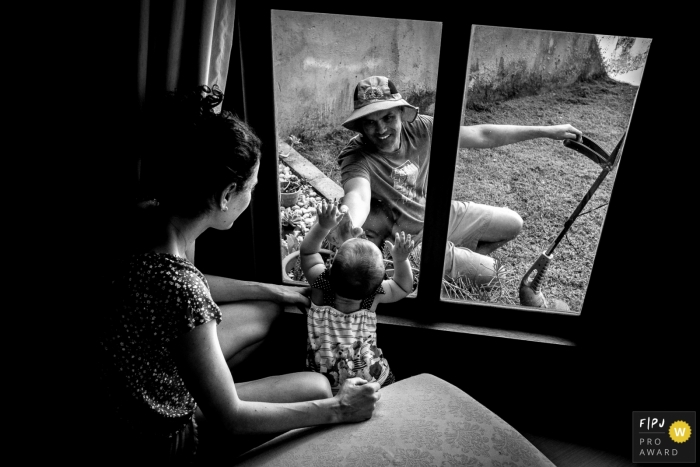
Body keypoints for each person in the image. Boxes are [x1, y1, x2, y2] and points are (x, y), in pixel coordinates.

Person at [98, 85, 381, 464]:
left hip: (128, 377)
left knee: (266, 309)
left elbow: (184, 291)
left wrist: (272, 290)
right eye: (253, 187)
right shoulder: (181, 288)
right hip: (158, 434)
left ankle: (206, 380)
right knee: (316, 385)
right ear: (227, 194)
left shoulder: (152, 215)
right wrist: (340, 408)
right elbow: (230, 417)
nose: (254, 195)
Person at [330, 75, 583, 287]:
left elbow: (481, 134)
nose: (381, 129)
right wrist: (348, 220)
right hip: (410, 242)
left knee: (513, 223)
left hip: (438, 216)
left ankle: (455, 261)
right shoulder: (356, 155)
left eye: (388, 118)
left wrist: (546, 131)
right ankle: (437, 264)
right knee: (495, 273)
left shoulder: (420, 128)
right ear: (361, 126)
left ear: (400, 113)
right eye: (371, 122)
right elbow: (358, 195)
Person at [300, 199, 415, 395]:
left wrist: (323, 226)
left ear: (331, 266)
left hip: (322, 382)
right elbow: (403, 286)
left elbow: (308, 252)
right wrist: (400, 259)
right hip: (370, 379)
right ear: (378, 285)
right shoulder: (372, 297)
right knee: (386, 380)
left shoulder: (320, 285)